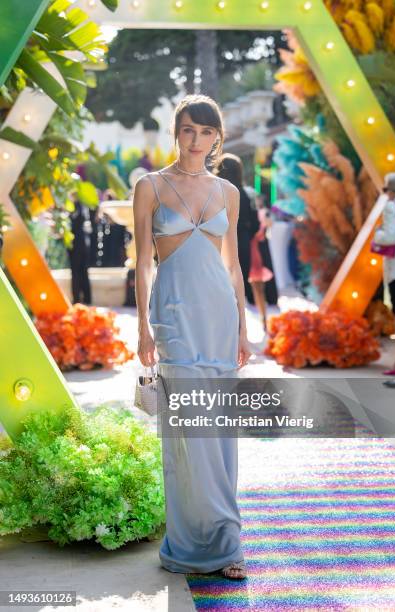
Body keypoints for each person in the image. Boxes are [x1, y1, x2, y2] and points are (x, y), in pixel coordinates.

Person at [133, 95, 252, 579]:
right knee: (187, 433)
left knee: (218, 432)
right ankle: (188, 540)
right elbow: (142, 262)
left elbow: (234, 265)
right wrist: (141, 324)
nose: (196, 140)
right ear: (175, 133)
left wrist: (244, 328)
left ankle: (227, 541)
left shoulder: (228, 192)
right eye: (187, 130)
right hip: (175, 317)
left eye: (205, 131)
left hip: (220, 319)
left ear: (217, 137)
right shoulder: (150, 187)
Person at [372, 173, 395, 376]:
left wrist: (378, 234)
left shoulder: (391, 207)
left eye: (386, 190)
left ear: (391, 190)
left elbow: (391, 236)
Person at [214, 153, 260, 304]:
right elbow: (255, 224)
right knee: (240, 276)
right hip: (243, 239)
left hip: (219, 240)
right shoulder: (247, 194)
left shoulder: (214, 193)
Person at [248, 200, 274, 331]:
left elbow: (267, 229)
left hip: (254, 254)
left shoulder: (260, 216)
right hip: (252, 253)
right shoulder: (254, 218)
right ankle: (262, 317)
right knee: (257, 289)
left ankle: (263, 317)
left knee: (258, 288)